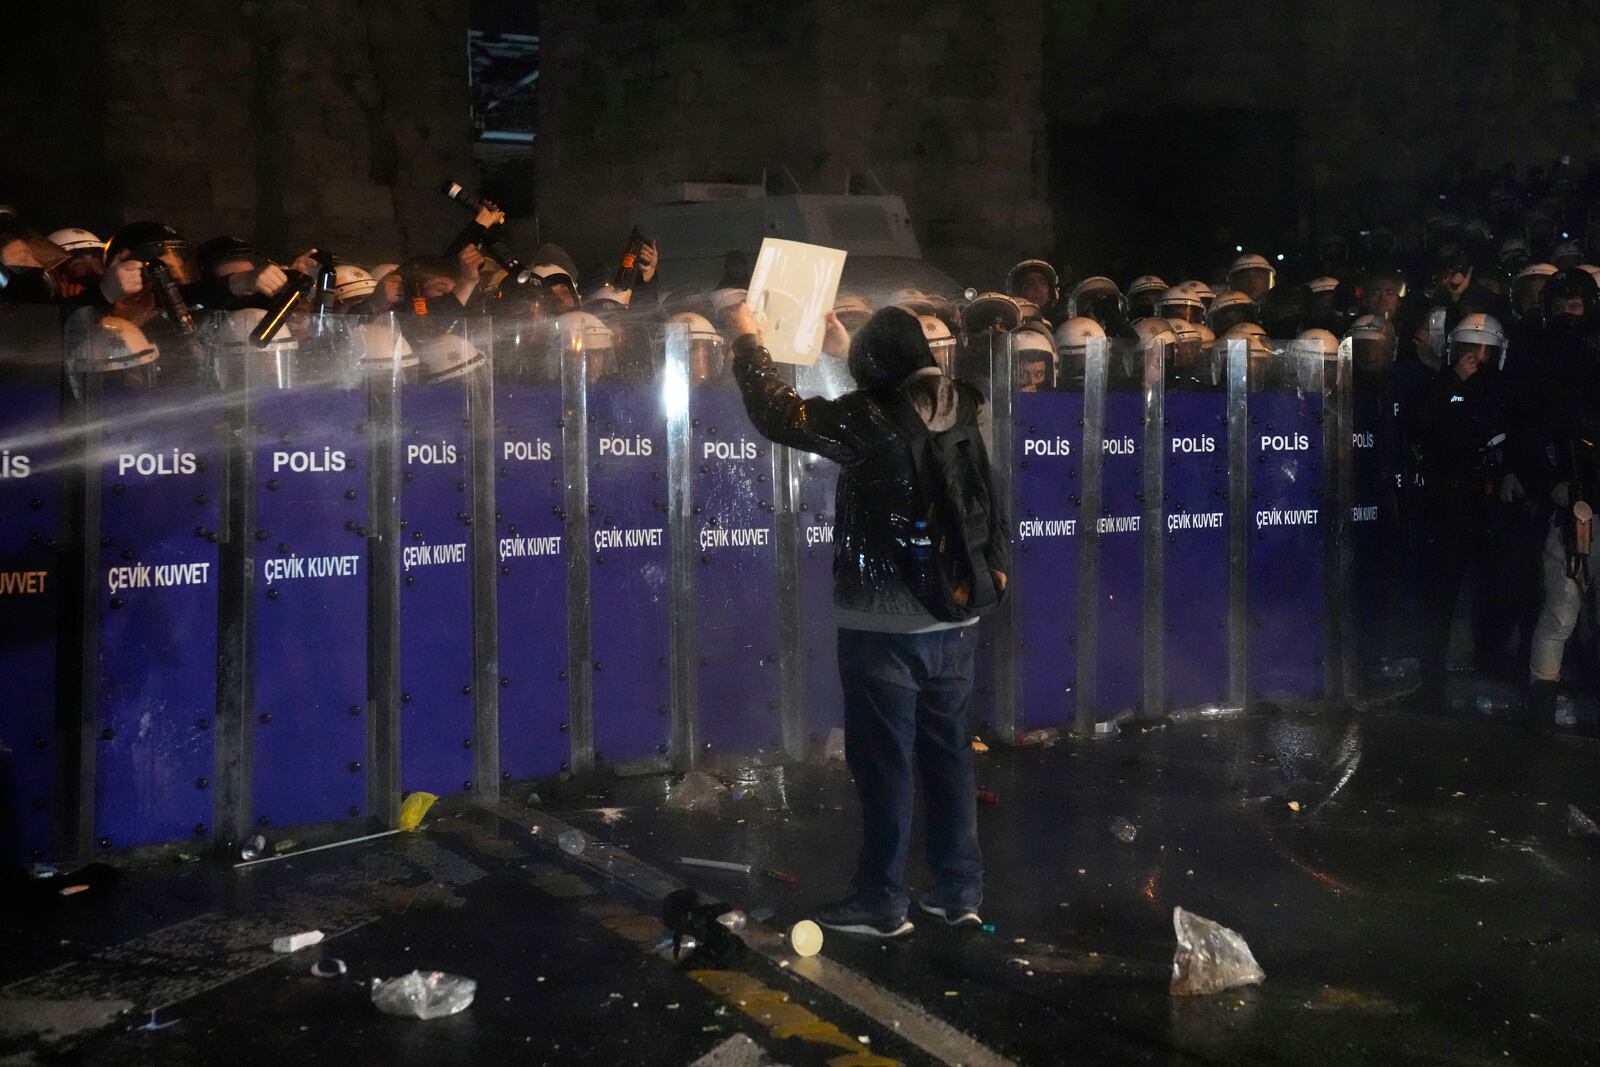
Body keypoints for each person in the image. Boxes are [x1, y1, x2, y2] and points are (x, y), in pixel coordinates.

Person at [727, 300, 1009, 938]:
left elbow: (783, 415)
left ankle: (882, 902)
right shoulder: (964, 405)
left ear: (875, 369)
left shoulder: (870, 418)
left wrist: (748, 344)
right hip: (957, 617)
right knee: (948, 759)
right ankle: (958, 891)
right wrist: (841, 350)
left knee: (885, 766)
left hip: (884, 627)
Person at [1407, 313, 1509, 712]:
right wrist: (1451, 381)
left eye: (1485, 351)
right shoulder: (1440, 386)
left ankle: (1492, 662)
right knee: (1441, 592)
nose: (1477, 359)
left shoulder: (1506, 391)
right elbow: (1418, 423)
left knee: (1500, 587)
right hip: (1448, 505)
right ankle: (1432, 675)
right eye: (1469, 350)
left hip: (1494, 505)